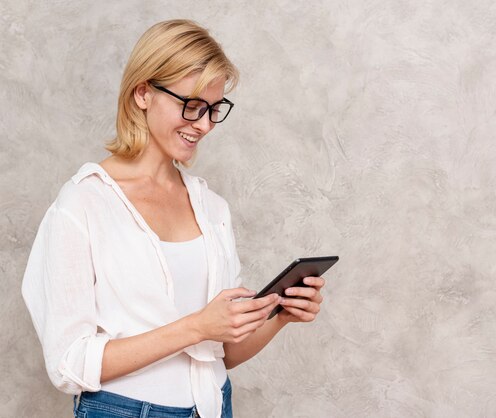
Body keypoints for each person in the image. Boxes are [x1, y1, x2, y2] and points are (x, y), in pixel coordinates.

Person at [22, 19, 325, 418]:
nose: (203, 124)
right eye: (192, 105)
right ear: (143, 93)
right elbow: (69, 364)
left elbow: (222, 353)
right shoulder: (82, 204)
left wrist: (281, 315)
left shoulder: (211, 207)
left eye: (215, 110)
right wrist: (197, 326)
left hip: (215, 405)